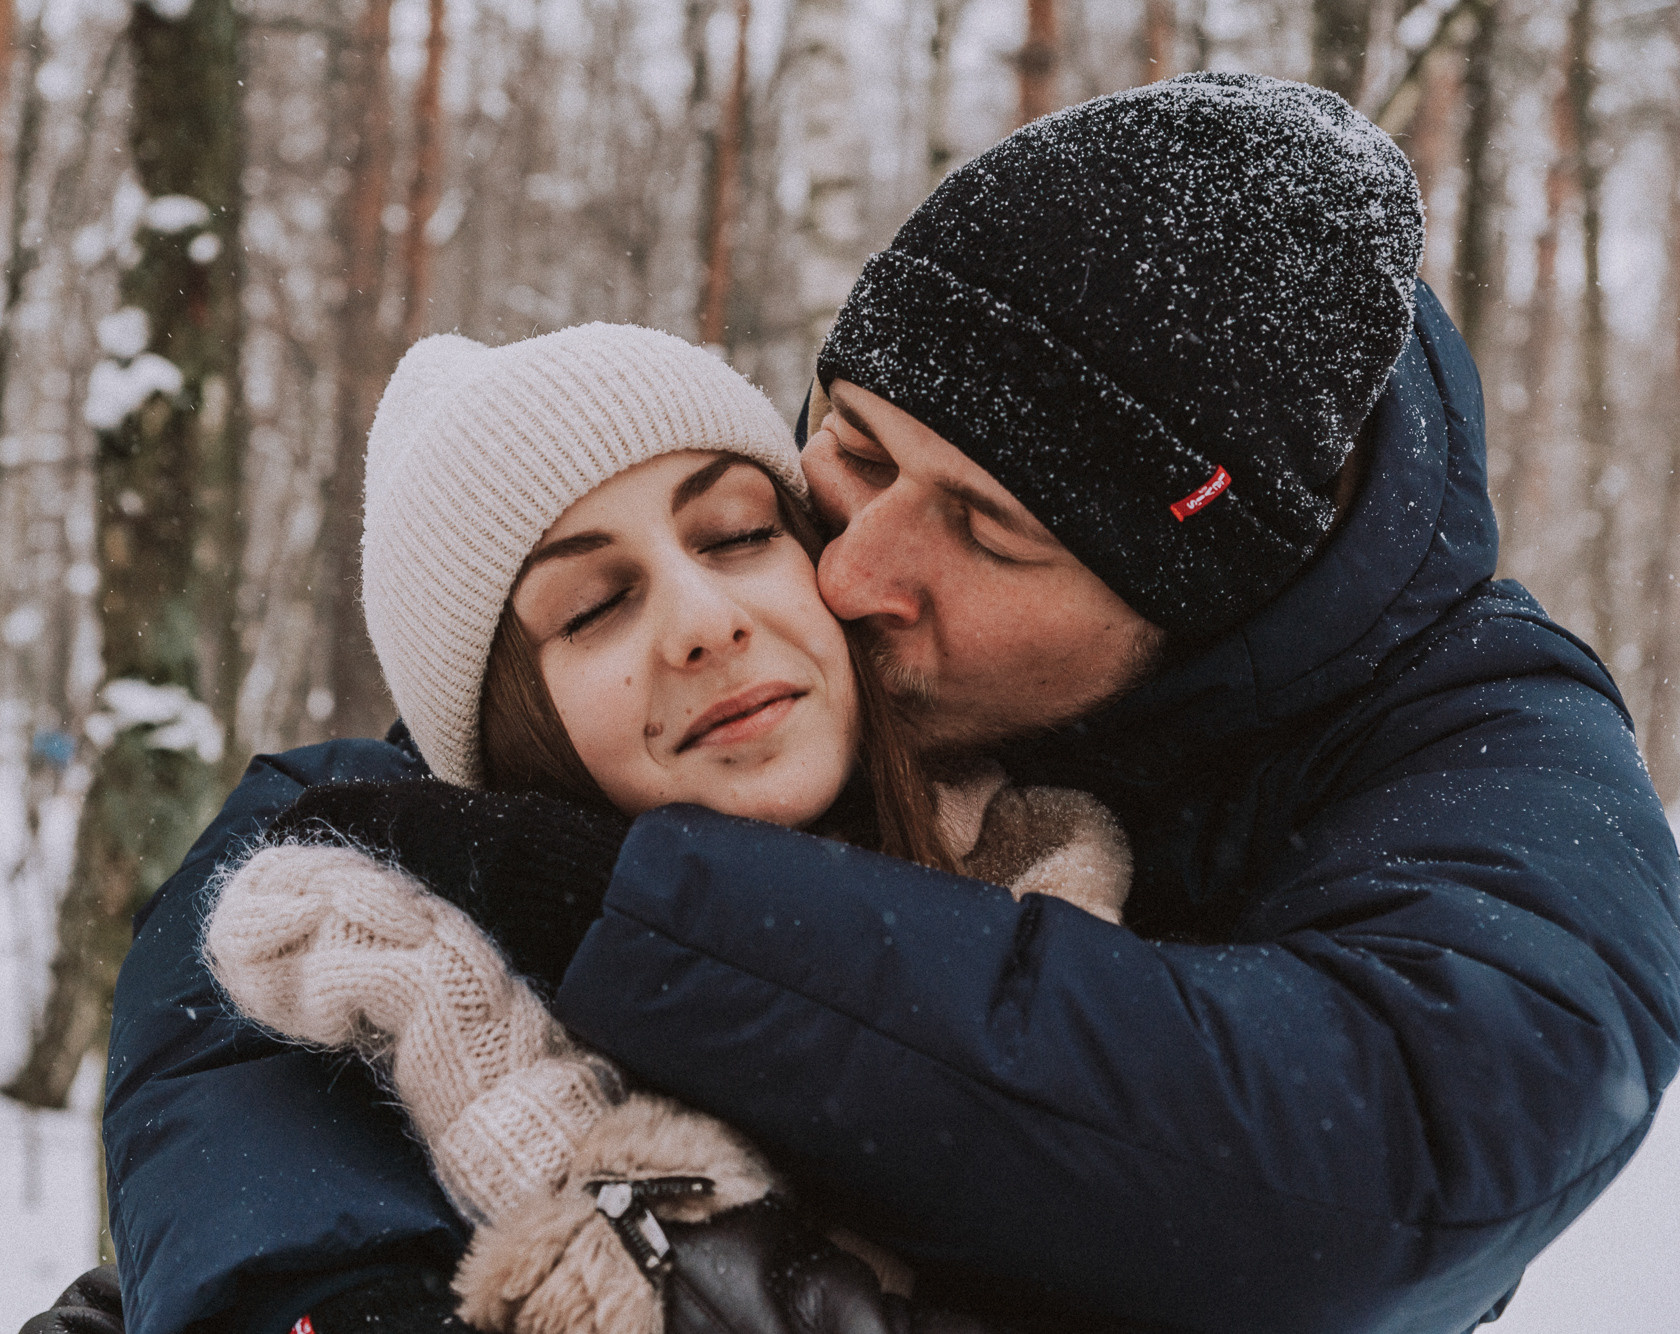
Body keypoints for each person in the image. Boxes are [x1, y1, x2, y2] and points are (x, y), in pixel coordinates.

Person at [92, 71, 1680, 1334]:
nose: (845, 570)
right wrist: (315, 1279)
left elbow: (1368, 1177)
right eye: (847, 448)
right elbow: (317, 852)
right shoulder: (793, 673)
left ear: (1187, 613)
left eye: (986, 527)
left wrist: (652, 921)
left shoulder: (1493, 763)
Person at [194, 322, 1133, 1334]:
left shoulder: (1093, 914)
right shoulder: (353, 1065)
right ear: (511, 737)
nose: (702, 620)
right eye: (594, 605)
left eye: (736, 534)